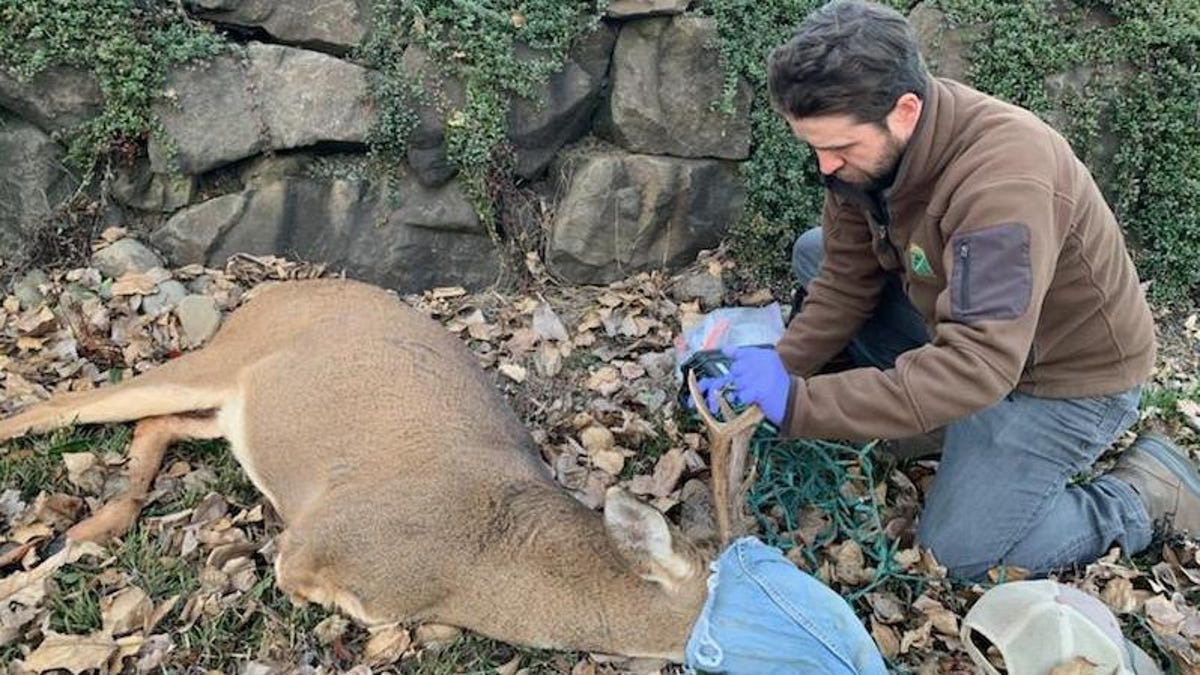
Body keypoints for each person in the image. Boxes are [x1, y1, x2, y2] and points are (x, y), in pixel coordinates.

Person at [698, 0, 1200, 579]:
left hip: (1060, 380)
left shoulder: (1003, 179)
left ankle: (1145, 493)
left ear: (905, 110)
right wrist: (776, 368)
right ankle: (935, 421)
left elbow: (977, 367)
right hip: (963, 325)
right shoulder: (872, 151)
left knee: (959, 556)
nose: (826, 166)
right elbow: (844, 280)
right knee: (816, 251)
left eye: (839, 148)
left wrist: (798, 403)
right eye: (813, 147)